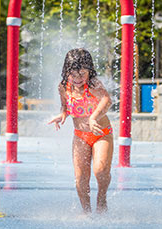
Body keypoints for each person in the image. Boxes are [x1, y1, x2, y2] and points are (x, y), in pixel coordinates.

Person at [48, 48, 113, 215]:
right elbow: (66, 105)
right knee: (80, 179)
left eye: (82, 74)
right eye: (73, 75)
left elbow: (107, 101)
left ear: (89, 71)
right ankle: (87, 213)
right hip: (80, 136)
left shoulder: (93, 84)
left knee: (100, 170)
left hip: (101, 133)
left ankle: (102, 197)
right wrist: (63, 114)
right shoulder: (63, 87)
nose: (77, 79)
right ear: (66, 72)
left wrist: (93, 118)